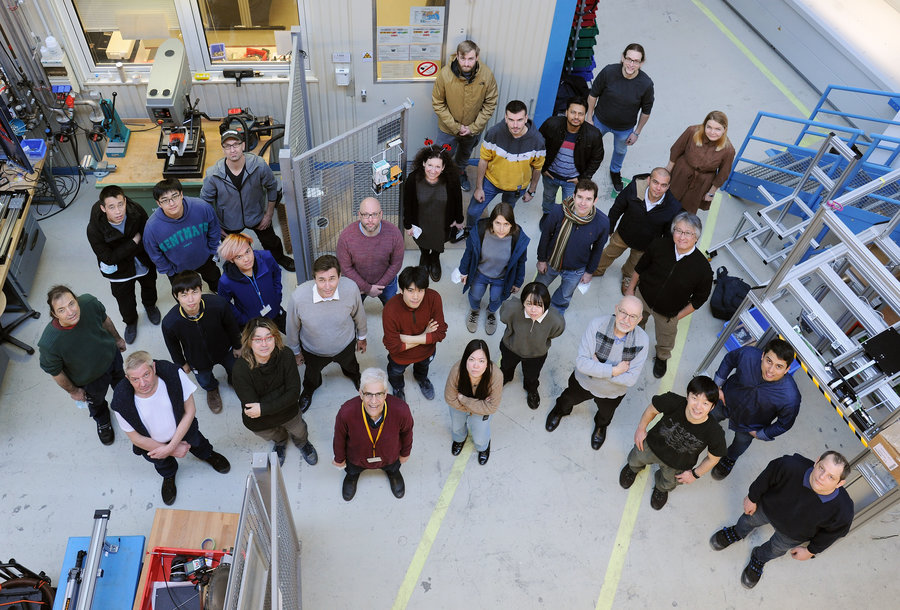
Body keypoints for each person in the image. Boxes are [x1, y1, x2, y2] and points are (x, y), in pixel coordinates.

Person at [709, 451, 853, 589]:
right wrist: (752, 498)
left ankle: (759, 558)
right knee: (747, 521)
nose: (821, 477)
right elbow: (767, 476)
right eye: (822, 468)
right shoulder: (790, 466)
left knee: (775, 549)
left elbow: (832, 534)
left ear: (840, 483)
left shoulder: (843, 511)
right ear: (816, 462)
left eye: (831, 477)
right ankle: (737, 532)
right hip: (767, 509)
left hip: (793, 534)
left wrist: (811, 551)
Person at [111, 351, 231, 505]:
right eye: (135, 379)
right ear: (127, 378)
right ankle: (169, 475)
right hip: (152, 445)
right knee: (161, 462)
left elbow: (190, 411)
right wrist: (170, 451)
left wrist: (171, 447)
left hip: (184, 428)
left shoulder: (173, 374)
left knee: (198, 442)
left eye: (146, 375)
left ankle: (208, 454)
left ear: (153, 368)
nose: (142, 383)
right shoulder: (121, 401)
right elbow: (136, 438)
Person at [545, 296, 648, 450]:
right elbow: (581, 363)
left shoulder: (642, 341)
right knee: (567, 399)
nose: (626, 320)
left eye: (633, 316)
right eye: (623, 312)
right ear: (616, 309)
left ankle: (601, 426)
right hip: (583, 382)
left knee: (606, 414)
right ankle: (560, 411)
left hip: (612, 393)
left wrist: (596, 367)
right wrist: (615, 370)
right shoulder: (597, 325)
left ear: (639, 319)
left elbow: (631, 380)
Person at [625, 211, 712, 379]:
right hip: (641, 297)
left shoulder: (703, 269)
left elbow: (700, 298)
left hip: (668, 314)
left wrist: (677, 316)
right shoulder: (658, 245)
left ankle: (661, 357)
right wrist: (630, 290)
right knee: (634, 323)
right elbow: (640, 267)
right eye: (678, 230)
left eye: (688, 233)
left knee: (666, 339)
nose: (681, 236)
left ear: (696, 237)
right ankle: (633, 338)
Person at [618, 376, 726, 511]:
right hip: (652, 445)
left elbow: (714, 458)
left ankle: (661, 488)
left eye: (705, 403)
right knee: (636, 458)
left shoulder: (715, 432)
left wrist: (695, 474)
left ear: (712, 407)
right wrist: (641, 428)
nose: (698, 407)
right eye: (694, 398)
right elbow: (652, 409)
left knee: (668, 482)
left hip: (678, 464)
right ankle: (633, 469)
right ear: (687, 396)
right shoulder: (673, 401)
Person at [38, 286, 127, 446]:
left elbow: (104, 319)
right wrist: (74, 391)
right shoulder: (49, 343)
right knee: (97, 403)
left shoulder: (89, 303)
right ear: (54, 314)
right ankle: (103, 421)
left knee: (123, 386)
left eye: (72, 304)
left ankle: (127, 405)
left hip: (111, 357)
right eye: (61, 310)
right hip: (89, 379)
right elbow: (56, 373)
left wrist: (117, 339)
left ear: (77, 300)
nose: (70, 312)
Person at [200, 129, 295, 271]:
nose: (232, 150)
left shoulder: (259, 165)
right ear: (223, 149)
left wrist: (268, 215)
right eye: (228, 146)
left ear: (243, 145)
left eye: (236, 144)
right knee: (234, 249)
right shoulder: (213, 174)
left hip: (256, 214)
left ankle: (279, 258)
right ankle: (241, 267)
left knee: (271, 241)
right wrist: (216, 227)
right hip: (228, 221)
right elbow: (204, 203)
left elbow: (272, 187)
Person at [709, 339, 802, 480]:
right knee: (708, 420)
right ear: (762, 355)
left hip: (750, 424)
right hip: (725, 401)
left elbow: (785, 423)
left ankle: (730, 458)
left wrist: (761, 434)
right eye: (768, 361)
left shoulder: (790, 397)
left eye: (779, 366)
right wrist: (717, 387)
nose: (770, 370)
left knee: (740, 443)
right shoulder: (748, 354)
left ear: (787, 369)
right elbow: (729, 360)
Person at [284, 254, 367, 412]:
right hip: (313, 351)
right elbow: (292, 327)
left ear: (340, 276)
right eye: (321, 280)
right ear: (314, 278)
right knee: (311, 375)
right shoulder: (299, 297)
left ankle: (355, 376)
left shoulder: (350, 288)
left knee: (351, 365)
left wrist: (362, 337)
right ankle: (309, 390)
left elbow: (359, 314)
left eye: (332, 279)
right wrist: (296, 352)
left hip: (345, 345)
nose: (327, 286)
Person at [232, 317, 318, 467]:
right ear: (249, 341)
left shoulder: (286, 355)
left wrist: (263, 407)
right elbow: (252, 408)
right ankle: (280, 443)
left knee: (299, 431)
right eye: (258, 339)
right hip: (260, 423)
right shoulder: (240, 369)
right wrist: (282, 396)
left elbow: (293, 393)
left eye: (268, 338)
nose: (264, 344)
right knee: (275, 435)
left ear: (275, 338)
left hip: (289, 413)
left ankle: (302, 443)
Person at [86, 184, 160, 344]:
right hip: (119, 272)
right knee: (124, 300)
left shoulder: (137, 212)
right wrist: (133, 242)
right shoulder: (94, 229)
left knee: (150, 287)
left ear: (125, 201)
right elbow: (108, 258)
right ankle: (131, 322)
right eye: (111, 207)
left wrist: (122, 251)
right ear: (103, 208)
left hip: (143, 262)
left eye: (121, 204)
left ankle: (150, 306)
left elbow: (147, 237)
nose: (118, 211)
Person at [162, 271, 242, 414]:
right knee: (204, 379)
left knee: (235, 367)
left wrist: (237, 345)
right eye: (184, 295)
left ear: (201, 289)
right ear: (176, 296)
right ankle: (212, 389)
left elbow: (232, 326)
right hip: (196, 357)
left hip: (224, 348)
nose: (191, 299)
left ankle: (234, 380)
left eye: (195, 292)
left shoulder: (218, 304)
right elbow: (172, 346)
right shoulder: (170, 322)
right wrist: (182, 363)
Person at [592, 167, 681, 294]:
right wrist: (610, 227)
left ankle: (627, 277)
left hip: (646, 243)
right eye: (655, 182)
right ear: (649, 180)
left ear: (668, 187)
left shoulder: (673, 207)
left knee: (634, 264)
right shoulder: (634, 188)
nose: (658, 188)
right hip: (624, 233)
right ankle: (597, 269)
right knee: (609, 253)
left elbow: (668, 233)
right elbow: (618, 207)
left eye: (663, 185)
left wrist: (657, 250)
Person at [333, 367, 414, 501]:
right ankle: (352, 476)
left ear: (386, 393)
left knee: (393, 467)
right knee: (352, 469)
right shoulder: (346, 412)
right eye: (368, 394)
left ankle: (393, 473)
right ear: (361, 394)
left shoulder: (401, 410)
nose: (374, 401)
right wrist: (339, 458)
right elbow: (339, 438)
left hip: (390, 456)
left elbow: (407, 433)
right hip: (356, 458)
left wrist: (405, 453)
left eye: (379, 394)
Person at [431, 39, 499, 191]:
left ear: (477, 57)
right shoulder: (445, 75)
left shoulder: (486, 75)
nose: (466, 63)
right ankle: (440, 179)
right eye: (463, 58)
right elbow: (438, 102)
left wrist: (473, 127)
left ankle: (460, 173)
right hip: (448, 129)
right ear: (457, 56)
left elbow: (490, 103)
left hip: (473, 129)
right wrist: (455, 126)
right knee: (442, 155)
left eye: (470, 59)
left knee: (464, 155)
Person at [586, 43, 654, 192]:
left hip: (624, 128)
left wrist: (637, 132)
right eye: (628, 59)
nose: (631, 64)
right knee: (589, 146)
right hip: (600, 121)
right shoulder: (608, 72)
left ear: (641, 63)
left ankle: (615, 171)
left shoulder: (646, 84)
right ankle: (586, 170)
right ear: (622, 58)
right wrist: (589, 118)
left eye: (635, 61)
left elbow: (646, 111)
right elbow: (593, 95)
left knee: (620, 151)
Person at [468, 100, 546, 228]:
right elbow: (483, 160)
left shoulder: (537, 141)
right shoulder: (494, 133)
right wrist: (479, 187)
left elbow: (537, 168)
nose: (515, 125)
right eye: (511, 120)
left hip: (517, 187)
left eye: (520, 120)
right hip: (491, 181)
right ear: (505, 118)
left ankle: (496, 234)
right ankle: (469, 231)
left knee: (504, 217)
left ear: (526, 118)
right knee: (473, 212)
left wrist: (532, 190)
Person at [536, 179, 609, 314]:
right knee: (537, 290)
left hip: (576, 270)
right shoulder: (558, 211)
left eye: (588, 199)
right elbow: (545, 236)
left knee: (564, 296)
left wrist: (589, 272)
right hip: (551, 261)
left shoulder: (602, 223)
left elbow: (597, 250)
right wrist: (541, 259)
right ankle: (533, 307)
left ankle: (555, 312)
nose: (582, 203)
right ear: (574, 196)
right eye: (580, 197)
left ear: (595, 200)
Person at [458, 202, 529, 336]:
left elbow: (521, 262)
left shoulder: (518, 239)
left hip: (502, 277)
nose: (501, 229)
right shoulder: (480, 232)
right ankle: (474, 310)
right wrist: (463, 271)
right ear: (491, 222)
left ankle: (491, 313)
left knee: (497, 298)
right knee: (475, 294)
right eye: (498, 223)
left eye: (506, 224)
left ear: (512, 224)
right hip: (480, 273)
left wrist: (518, 282)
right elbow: (468, 253)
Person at [143, 177, 222, 292]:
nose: (171, 203)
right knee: (183, 294)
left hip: (205, 258)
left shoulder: (202, 207)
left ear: (181, 194)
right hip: (177, 269)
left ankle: (217, 291)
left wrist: (213, 250)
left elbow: (214, 229)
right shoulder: (151, 227)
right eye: (165, 200)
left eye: (174, 196)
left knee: (215, 279)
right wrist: (169, 270)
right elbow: (154, 253)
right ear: (158, 204)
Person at [382, 265, 447, 402]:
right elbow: (393, 346)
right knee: (396, 372)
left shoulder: (434, 298)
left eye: (420, 290)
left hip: (426, 352)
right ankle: (398, 387)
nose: (416, 297)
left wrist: (405, 338)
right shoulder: (390, 309)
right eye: (410, 291)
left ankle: (421, 378)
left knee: (423, 367)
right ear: (401, 290)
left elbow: (440, 333)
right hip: (400, 356)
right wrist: (426, 335)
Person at [402, 144, 465, 283]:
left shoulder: (451, 179)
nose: (433, 170)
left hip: (442, 223)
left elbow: (457, 200)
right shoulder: (413, 179)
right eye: (430, 165)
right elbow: (407, 204)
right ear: (424, 163)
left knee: (440, 241)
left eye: (438, 166)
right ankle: (425, 256)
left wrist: (459, 219)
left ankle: (435, 258)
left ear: (443, 167)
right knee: (422, 242)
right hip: (420, 222)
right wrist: (408, 225)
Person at [498, 282, 565, 410]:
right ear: (523, 302)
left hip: (536, 354)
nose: (533, 310)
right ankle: (505, 377)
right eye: (529, 304)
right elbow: (504, 316)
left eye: (539, 305)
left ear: (546, 304)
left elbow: (555, 333)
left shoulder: (556, 320)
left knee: (532, 375)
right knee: (506, 366)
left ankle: (531, 388)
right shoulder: (511, 308)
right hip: (511, 348)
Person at [538, 97, 604, 216]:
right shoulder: (551, 124)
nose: (576, 117)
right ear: (566, 112)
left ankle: (563, 220)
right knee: (548, 198)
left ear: (585, 115)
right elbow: (537, 145)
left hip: (572, 180)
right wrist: (543, 168)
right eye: (573, 112)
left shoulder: (593, 135)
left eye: (580, 114)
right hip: (550, 176)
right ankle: (547, 215)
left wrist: (582, 179)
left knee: (569, 205)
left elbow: (597, 158)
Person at [336, 197, 405, 305]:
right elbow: (345, 268)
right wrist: (367, 288)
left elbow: (396, 264)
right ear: (359, 215)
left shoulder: (394, 234)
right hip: (357, 282)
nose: (370, 220)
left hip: (386, 282)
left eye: (374, 214)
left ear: (381, 214)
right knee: (353, 312)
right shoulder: (346, 237)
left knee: (392, 311)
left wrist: (380, 285)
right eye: (365, 214)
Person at [444, 339, 503, 465]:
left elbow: (492, 407)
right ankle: (459, 439)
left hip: (464, 403)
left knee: (480, 433)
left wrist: (463, 399)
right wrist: (479, 406)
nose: (476, 365)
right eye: (471, 359)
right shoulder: (457, 370)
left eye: (481, 361)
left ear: (487, 363)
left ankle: (483, 447)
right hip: (466, 406)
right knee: (457, 426)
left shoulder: (496, 375)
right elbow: (449, 398)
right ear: (465, 360)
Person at [666, 110, 735, 214]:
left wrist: (711, 193)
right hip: (681, 173)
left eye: (717, 129)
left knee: (686, 211)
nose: (712, 132)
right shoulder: (692, 131)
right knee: (667, 200)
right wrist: (667, 173)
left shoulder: (728, 150)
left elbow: (723, 174)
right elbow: (676, 149)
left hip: (701, 183)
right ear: (704, 125)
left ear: (724, 130)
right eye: (709, 127)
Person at [216, 233, 285, 333]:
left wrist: (277, 296)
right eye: (239, 257)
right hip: (251, 321)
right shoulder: (225, 281)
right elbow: (224, 302)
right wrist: (242, 318)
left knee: (294, 332)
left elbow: (277, 273)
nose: (246, 259)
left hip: (274, 309)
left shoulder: (266, 257)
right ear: (231, 260)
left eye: (248, 251)